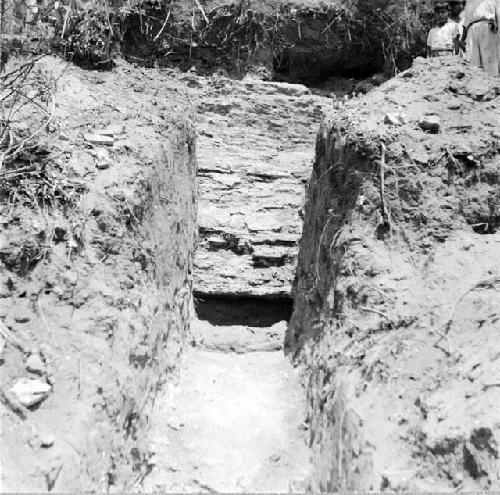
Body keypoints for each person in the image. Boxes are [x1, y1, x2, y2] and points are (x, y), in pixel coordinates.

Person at [462, 0, 500, 75]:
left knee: (489, 60)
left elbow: (498, 14)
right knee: (474, 60)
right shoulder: (470, 1)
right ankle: (476, 83)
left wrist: (497, 26)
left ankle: (492, 81)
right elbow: (466, 20)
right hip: (472, 27)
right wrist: (463, 38)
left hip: (487, 25)